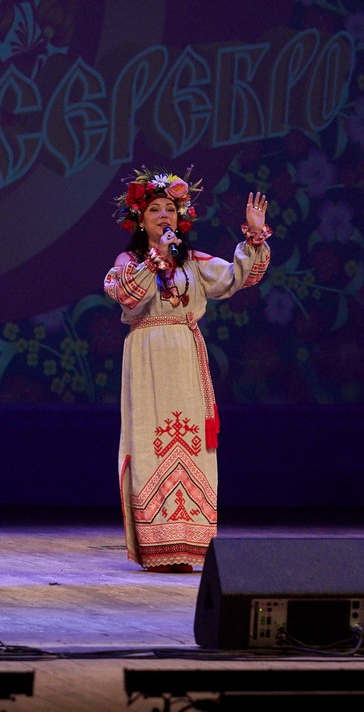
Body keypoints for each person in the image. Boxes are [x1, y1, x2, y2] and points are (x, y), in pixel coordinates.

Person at [102, 168, 271, 572]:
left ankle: (189, 542)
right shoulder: (129, 262)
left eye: (170, 209)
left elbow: (236, 277)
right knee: (151, 443)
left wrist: (254, 236)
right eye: (155, 209)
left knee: (191, 444)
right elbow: (127, 294)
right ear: (139, 220)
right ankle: (156, 544)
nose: (164, 215)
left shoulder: (193, 262)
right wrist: (156, 258)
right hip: (148, 356)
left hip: (185, 355)